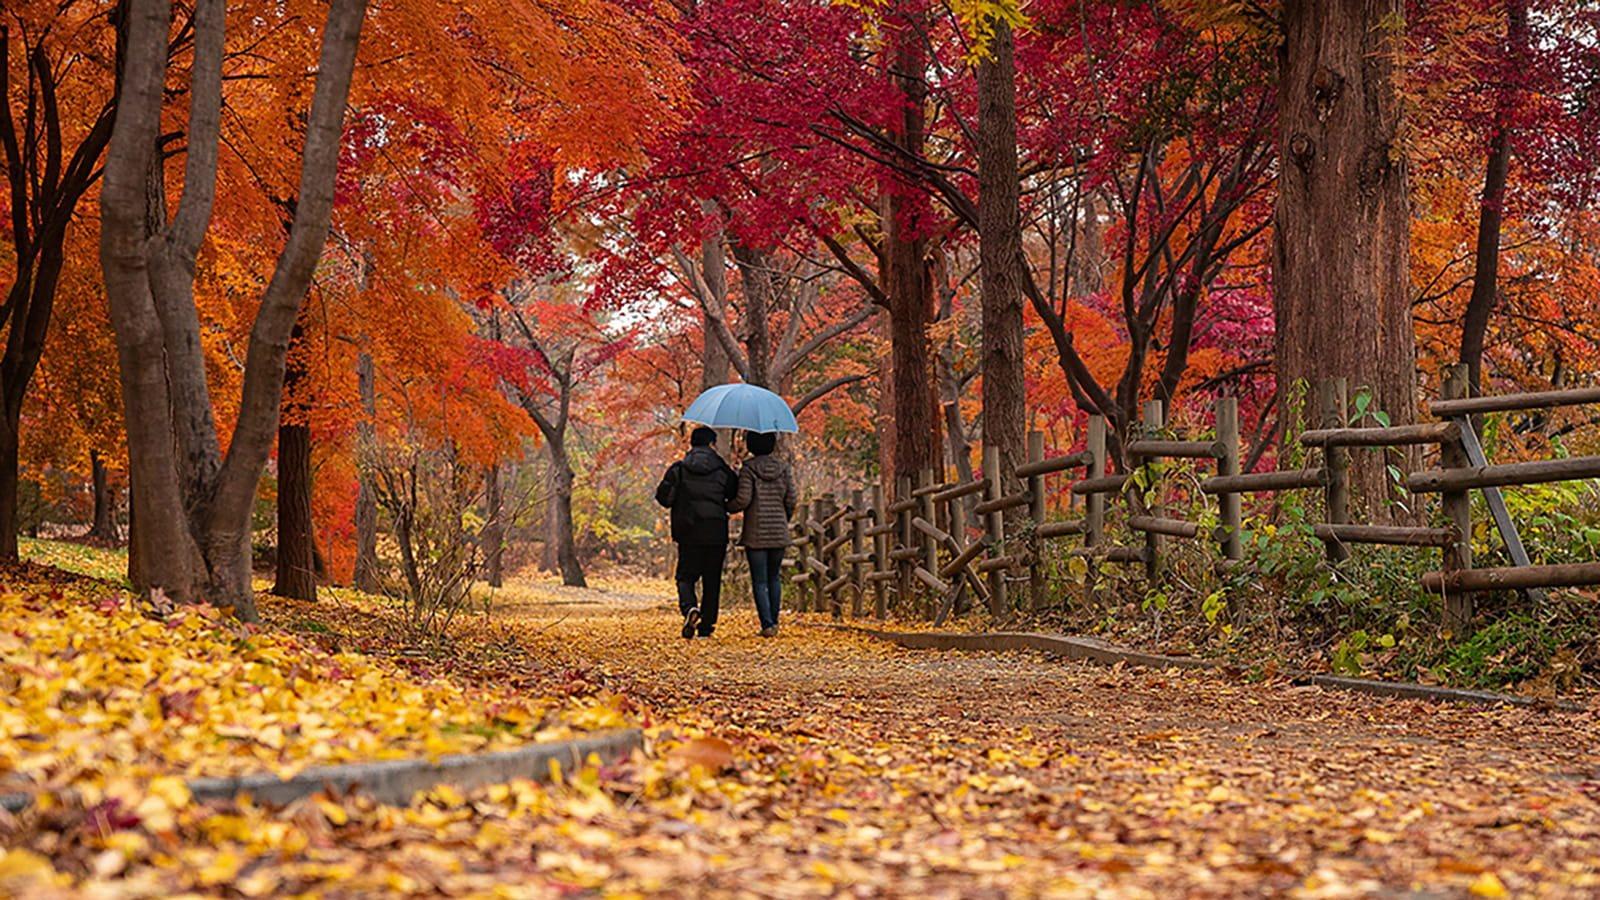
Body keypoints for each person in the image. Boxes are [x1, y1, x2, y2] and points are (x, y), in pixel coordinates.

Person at [655, 426, 738, 639]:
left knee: (685, 577)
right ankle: (706, 626)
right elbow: (734, 493)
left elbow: (664, 498)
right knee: (712, 580)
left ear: (692, 444)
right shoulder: (722, 470)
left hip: (688, 531)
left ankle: (690, 608)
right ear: (711, 444)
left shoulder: (679, 469)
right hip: (715, 532)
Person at [729, 430, 797, 637]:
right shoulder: (784, 468)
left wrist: (726, 506)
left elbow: (743, 500)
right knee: (774, 577)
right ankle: (774, 622)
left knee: (759, 580)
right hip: (778, 531)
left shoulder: (749, 468)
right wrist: (783, 519)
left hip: (756, 533)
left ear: (751, 445)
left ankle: (766, 624)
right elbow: (791, 499)